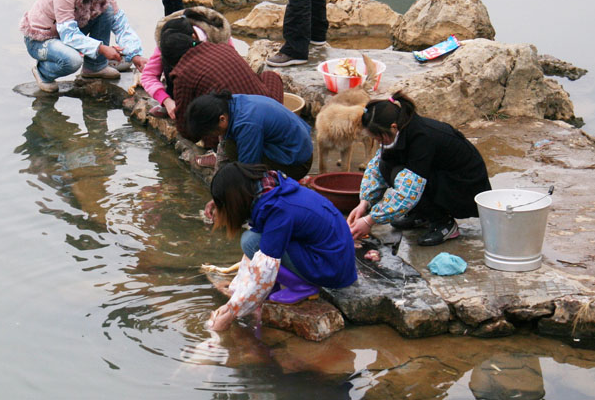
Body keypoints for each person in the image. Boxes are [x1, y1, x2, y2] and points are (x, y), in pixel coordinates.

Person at [207, 163, 357, 331]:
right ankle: (285, 284)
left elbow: (265, 268)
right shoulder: (273, 190)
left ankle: (303, 287)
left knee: (252, 242)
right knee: (253, 240)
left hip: (332, 269)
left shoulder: (278, 210)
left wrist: (230, 314)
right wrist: (234, 298)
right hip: (336, 259)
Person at [346, 91, 492, 246]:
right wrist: (365, 202)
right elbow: (376, 166)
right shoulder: (400, 130)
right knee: (386, 165)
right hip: (441, 176)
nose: (378, 142)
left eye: (379, 138)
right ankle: (422, 215)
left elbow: (409, 191)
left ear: (393, 127)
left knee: (401, 176)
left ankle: (444, 224)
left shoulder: (422, 137)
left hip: (464, 188)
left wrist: (370, 220)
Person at [186, 91, 312, 180]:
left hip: (297, 163)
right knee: (229, 148)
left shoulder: (246, 124)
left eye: (211, 133)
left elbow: (249, 171)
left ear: (222, 119)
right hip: (295, 146)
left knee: (232, 149)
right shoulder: (228, 104)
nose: (213, 136)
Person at [140, 7, 233, 119]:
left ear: (193, 38)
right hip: (179, 93)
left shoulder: (220, 39)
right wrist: (166, 100)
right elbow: (148, 76)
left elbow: (230, 74)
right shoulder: (168, 40)